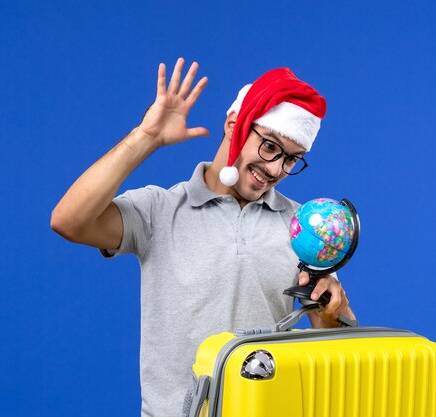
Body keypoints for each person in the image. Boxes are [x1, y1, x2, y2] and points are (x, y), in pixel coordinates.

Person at [51, 58, 355, 417]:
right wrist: (145, 139)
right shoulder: (159, 210)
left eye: (292, 159)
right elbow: (69, 221)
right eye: (270, 146)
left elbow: (336, 345)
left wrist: (334, 307)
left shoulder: (304, 227)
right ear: (234, 125)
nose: (275, 169)